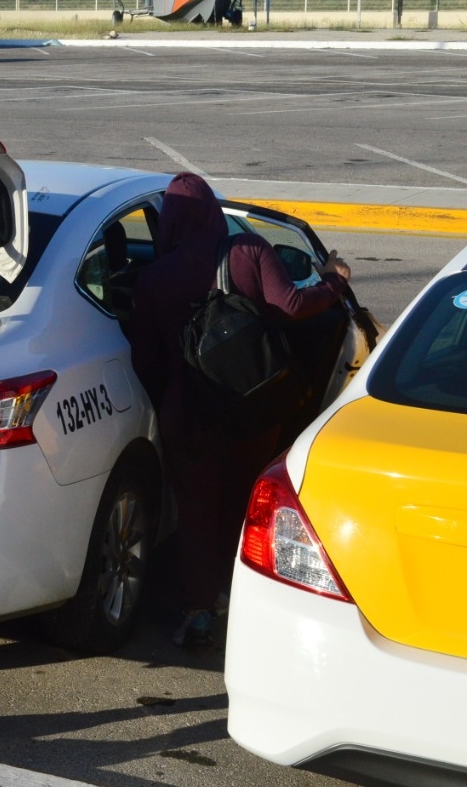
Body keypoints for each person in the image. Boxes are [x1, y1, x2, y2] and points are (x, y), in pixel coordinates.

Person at [127, 172, 352, 646]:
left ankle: (198, 610)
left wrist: (170, 397)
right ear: (212, 212)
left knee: (196, 512)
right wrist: (332, 281)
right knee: (244, 504)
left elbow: (144, 358)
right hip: (253, 407)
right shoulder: (248, 252)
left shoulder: (152, 278)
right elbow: (292, 305)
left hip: (188, 414)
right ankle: (245, 597)